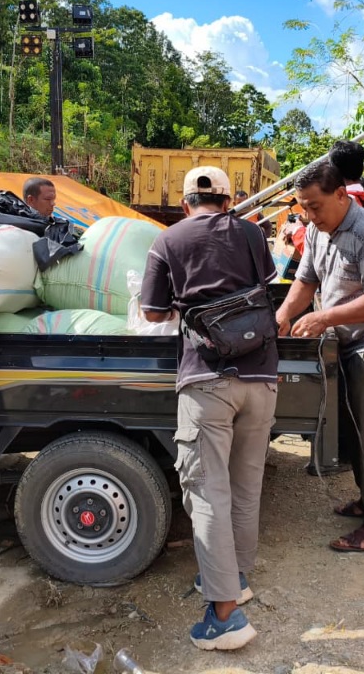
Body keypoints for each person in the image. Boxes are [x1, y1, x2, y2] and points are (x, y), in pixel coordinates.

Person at [140, 167, 278, 651]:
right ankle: (234, 580)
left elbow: (153, 312)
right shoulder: (251, 232)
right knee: (244, 485)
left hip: (207, 380)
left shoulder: (167, 240)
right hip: (262, 377)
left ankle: (226, 617)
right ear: (227, 199)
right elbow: (264, 282)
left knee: (207, 492)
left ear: (184, 204)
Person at [275, 160, 364, 553]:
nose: (309, 215)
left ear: (341, 194)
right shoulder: (317, 230)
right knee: (354, 432)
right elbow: (305, 281)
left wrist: (323, 317)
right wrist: (283, 315)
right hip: (348, 341)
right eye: (303, 207)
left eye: (315, 206)